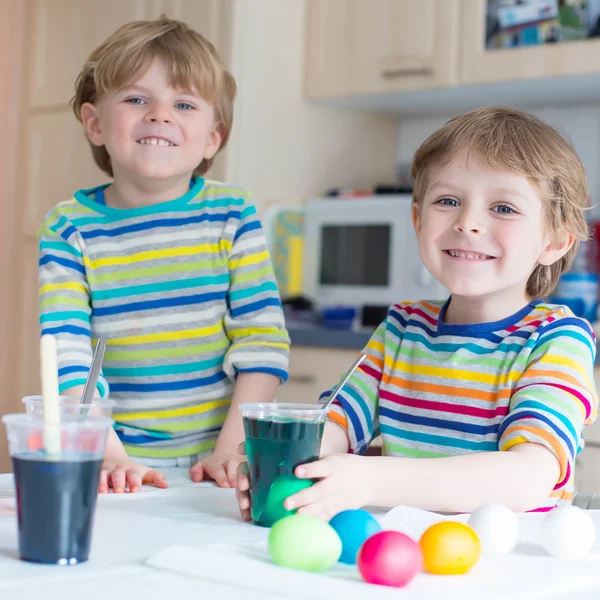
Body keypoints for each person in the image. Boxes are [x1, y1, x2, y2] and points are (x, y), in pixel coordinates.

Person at [236, 106, 599, 519]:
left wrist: (371, 480)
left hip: (511, 564)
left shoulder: (557, 339)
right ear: (417, 218)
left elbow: (528, 478)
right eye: (448, 200)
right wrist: (289, 467)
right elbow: (334, 426)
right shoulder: (401, 328)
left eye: (503, 208)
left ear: (555, 241)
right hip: (408, 554)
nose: (468, 223)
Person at [38, 16, 289, 493]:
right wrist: (108, 454)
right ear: (94, 123)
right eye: (136, 99)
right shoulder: (68, 228)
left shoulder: (232, 214)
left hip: (221, 460)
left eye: (184, 103)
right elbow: (67, 353)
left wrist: (232, 451)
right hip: (117, 457)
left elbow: (263, 344)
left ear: (212, 137)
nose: (160, 114)